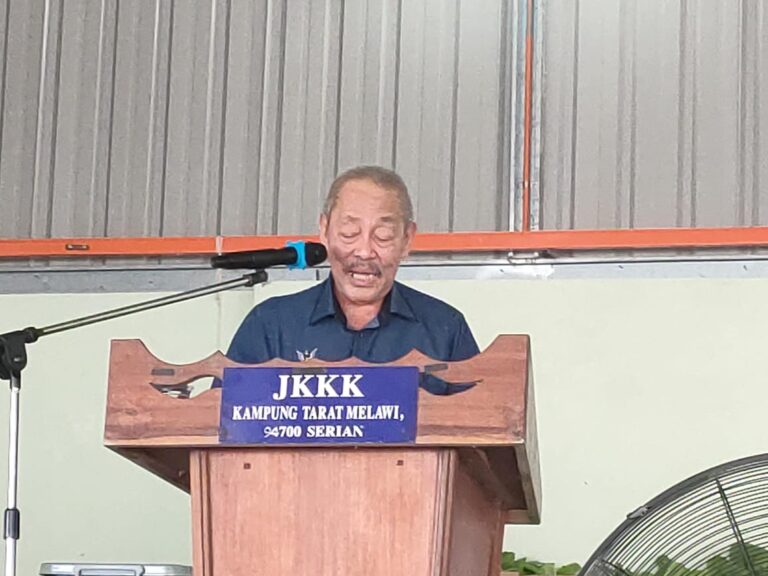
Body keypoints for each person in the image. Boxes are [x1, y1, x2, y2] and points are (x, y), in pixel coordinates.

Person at [226, 165, 479, 364]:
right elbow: (225, 412)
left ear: (407, 239)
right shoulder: (271, 325)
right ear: (324, 230)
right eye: (349, 233)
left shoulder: (445, 329)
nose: (364, 252)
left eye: (383, 236)